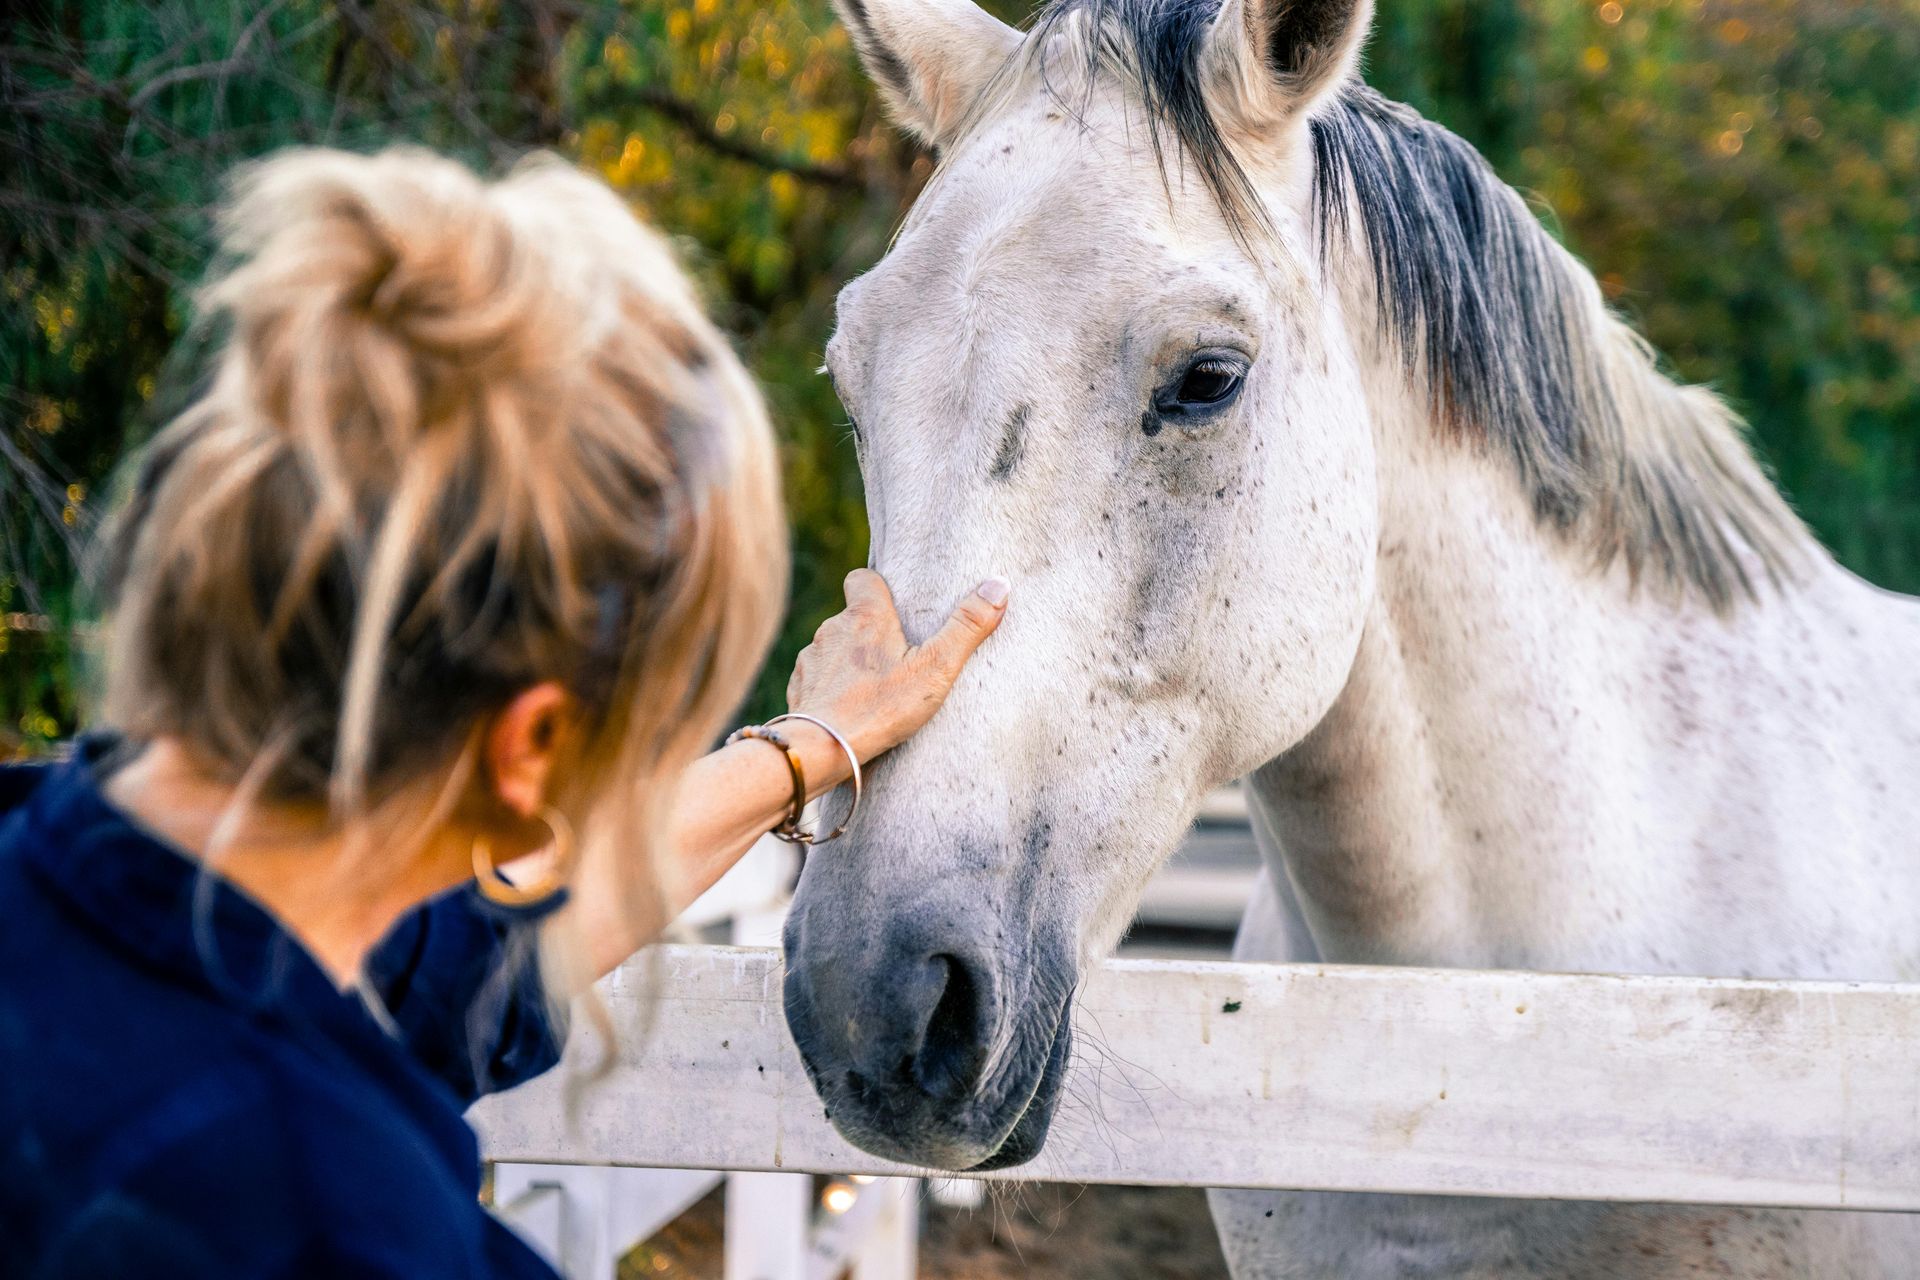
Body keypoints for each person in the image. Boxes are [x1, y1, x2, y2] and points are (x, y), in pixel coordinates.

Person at [0, 146, 1007, 1277]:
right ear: (527, 750)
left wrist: (810, 747)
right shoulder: (352, 1227)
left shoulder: (87, 876)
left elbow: (493, 942)